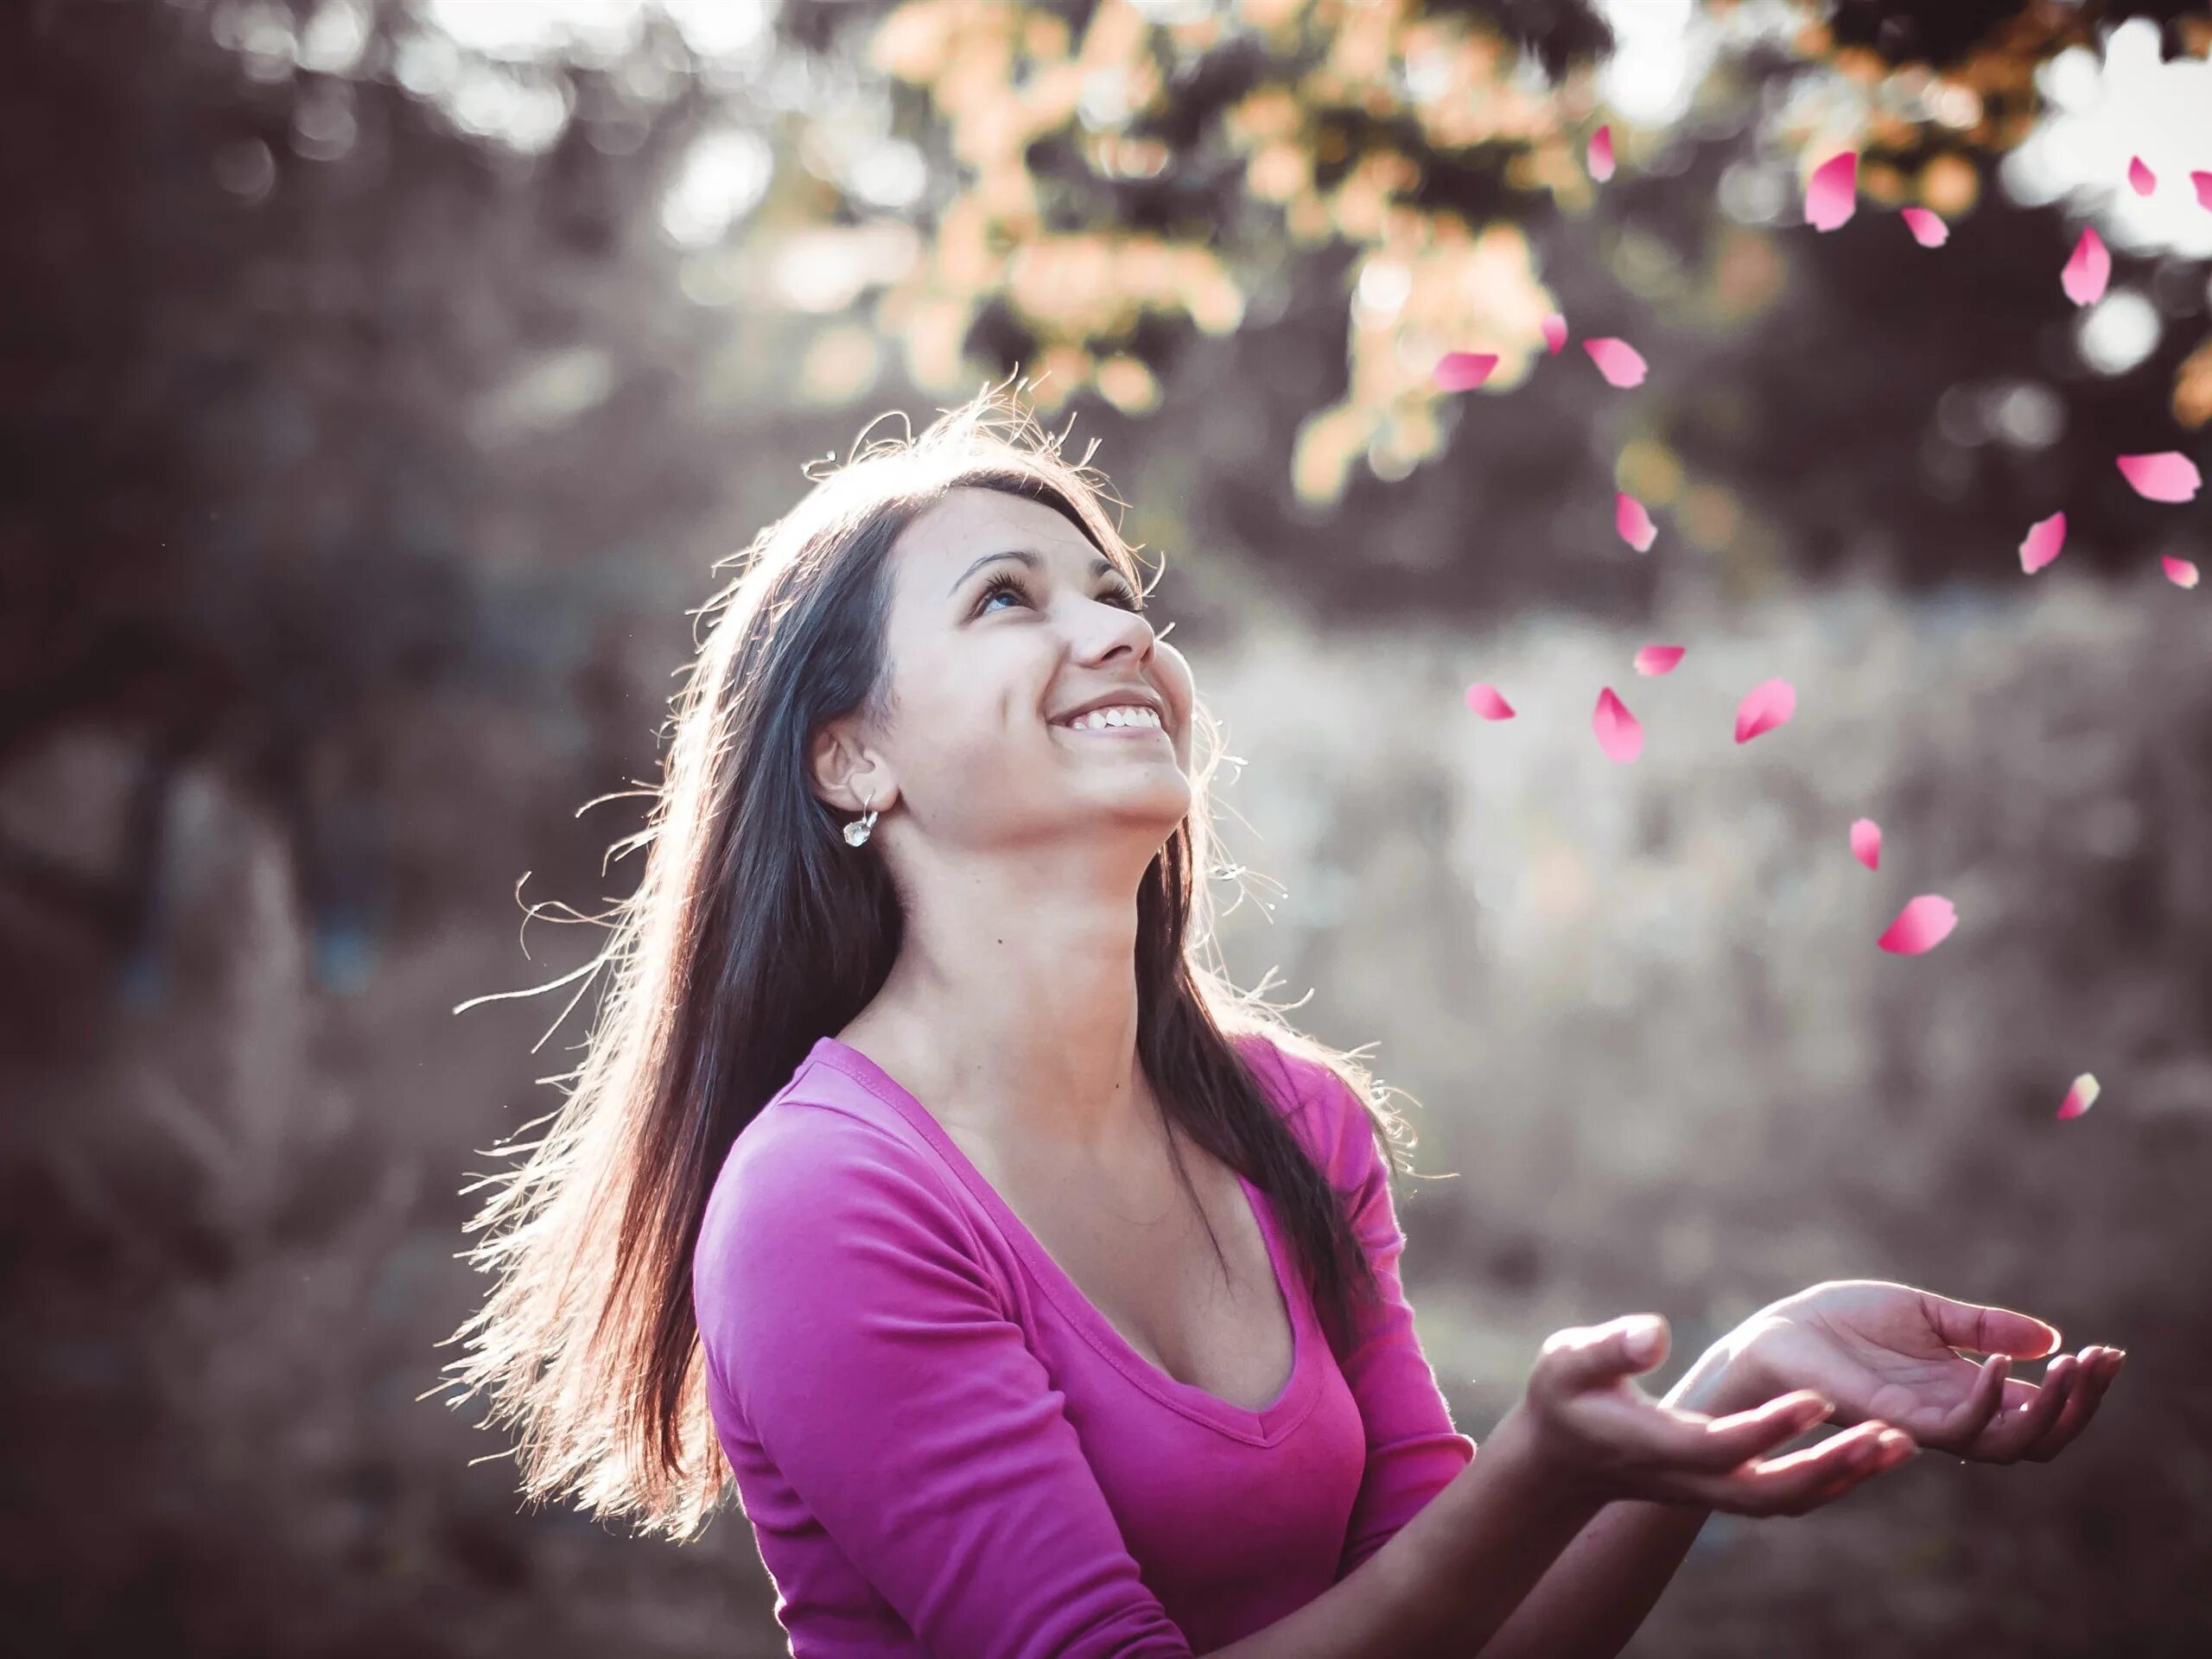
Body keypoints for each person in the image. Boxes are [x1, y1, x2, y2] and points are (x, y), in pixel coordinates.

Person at [438, 380, 2124, 1657]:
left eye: (1119, 598)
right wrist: (1541, 1465)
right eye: (1007, 598)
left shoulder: (1287, 1120)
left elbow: (1459, 1626)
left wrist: (1733, 1377)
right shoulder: (829, 1205)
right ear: (847, 760)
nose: (1114, 629)